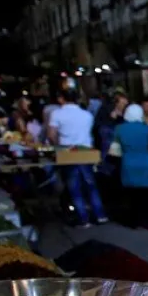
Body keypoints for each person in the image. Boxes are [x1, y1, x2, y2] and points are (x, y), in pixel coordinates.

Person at [46, 89, 109, 227]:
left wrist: (56, 146)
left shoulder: (56, 113)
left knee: (74, 186)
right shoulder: (86, 115)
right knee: (90, 184)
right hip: (86, 151)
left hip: (67, 151)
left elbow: (51, 134)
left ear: (61, 99)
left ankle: (83, 218)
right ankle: (100, 215)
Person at [112, 103, 148, 229]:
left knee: (133, 197)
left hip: (129, 165)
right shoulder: (147, 129)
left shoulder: (119, 129)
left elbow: (115, 151)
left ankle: (135, 222)